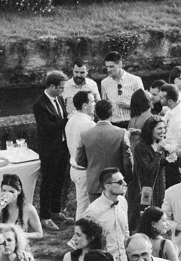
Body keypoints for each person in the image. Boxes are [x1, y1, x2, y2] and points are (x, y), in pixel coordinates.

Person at [31, 69, 70, 229]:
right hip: (49, 149)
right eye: (61, 87)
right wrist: (67, 120)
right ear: (52, 86)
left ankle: (56, 210)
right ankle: (45, 216)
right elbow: (47, 127)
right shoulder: (39, 104)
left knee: (59, 179)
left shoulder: (59, 98)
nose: (62, 90)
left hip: (62, 146)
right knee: (48, 182)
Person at [78, 100, 133, 209]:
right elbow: (128, 161)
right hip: (116, 183)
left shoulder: (85, 134)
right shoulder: (121, 133)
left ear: (96, 113)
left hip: (94, 182)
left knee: (97, 217)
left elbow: (80, 160)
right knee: (116, 214)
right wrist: (127, 177)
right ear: (112, 112)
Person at [88, 169, 131, 261]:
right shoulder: (93, 211)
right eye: (120, 182)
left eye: (123, 180)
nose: (125, 183)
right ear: (107, 186)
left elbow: (125, 229)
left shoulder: (123, 201)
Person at [68, 87, 98, 216]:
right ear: (85, 105)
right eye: (92, 101)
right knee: (84, 206)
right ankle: (79, 233)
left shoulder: (71, 120)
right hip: (83, 170)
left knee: (82, 203)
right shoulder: (88, 124)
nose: (95, 104)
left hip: (74, 168)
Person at [130, 114, 169, 215]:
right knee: (147, 216)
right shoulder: (141, 146)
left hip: (160, 187)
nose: (163, 131)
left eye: (164, 128)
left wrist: (168, 160)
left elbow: (158, 165)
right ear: (151, 129)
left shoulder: (159, 142)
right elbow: (149, 169)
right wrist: (159, 152)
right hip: (146, 189)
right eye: (160, 128)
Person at [101, 51, 144, 128]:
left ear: (120, 64)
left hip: (132, 123)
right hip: (113, 124)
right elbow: (104, 106)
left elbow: (144, 104)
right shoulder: (104, 83)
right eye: (107, 67)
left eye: (111, 67)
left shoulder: (136, 80)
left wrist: (129, 106)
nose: (108, 70)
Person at [0, 169, 43, 238]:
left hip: (21, 246)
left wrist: (21, 235)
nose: (7, 194)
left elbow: (39, 234)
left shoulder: (28, 209)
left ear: (19, 191)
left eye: (11, 192)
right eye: (4, 191)